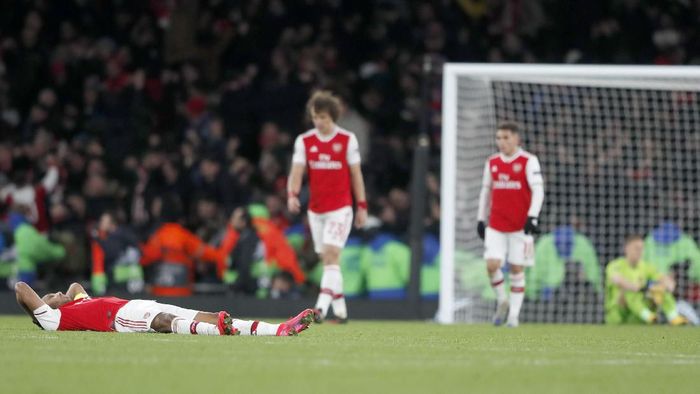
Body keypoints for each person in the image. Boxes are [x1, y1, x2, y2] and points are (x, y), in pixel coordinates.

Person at [287, 90, 368, 323]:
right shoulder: (305, 141)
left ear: (332, 116)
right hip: (316, 210)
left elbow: (356, 174)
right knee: (329, 261)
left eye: (322, 117)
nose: (318, 122)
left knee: (332, 254)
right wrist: (292, 194)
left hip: (341, 208)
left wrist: (361, 205)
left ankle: (320, 308)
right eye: (315, 117)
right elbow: (297, 171)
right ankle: (341, 312)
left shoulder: (346, 140)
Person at [15, 281, 315, 336]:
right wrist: (41, 311)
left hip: (136, 304)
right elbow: (21, 290)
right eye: (48, 295)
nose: (54, 294)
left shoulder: (74, 302)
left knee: (207, 315)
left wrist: (63, 296)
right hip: (121, 318)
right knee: (163, 321)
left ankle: (279, 330)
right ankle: (214, 330)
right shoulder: (52, 320)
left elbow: (76, 285)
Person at [476, 121, 544, 327]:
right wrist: (481, 218)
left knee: (516, 268)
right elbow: (485, 191)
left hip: (520, 226)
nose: (502, 142)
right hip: (496, 224)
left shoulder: (528, 161)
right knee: (491, 265)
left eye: (506, 137)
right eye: (498, 138)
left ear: (516, 139)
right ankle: (502, 300)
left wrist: (533, 216)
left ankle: (513, 316)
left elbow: (538, 190)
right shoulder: (492, 162)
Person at [605, 235, 687, 325]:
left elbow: (661, 277)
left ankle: (673, 317)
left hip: (637, 315)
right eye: (636, 248)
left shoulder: (646, 266)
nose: (640, 252)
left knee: (660, 288)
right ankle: (647, 316)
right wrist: (635, 287)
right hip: (619, 314)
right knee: (628, 291)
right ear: (626, 249)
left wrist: (669, 284)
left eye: (642, 249)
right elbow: (616, 279)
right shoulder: (615, 265)